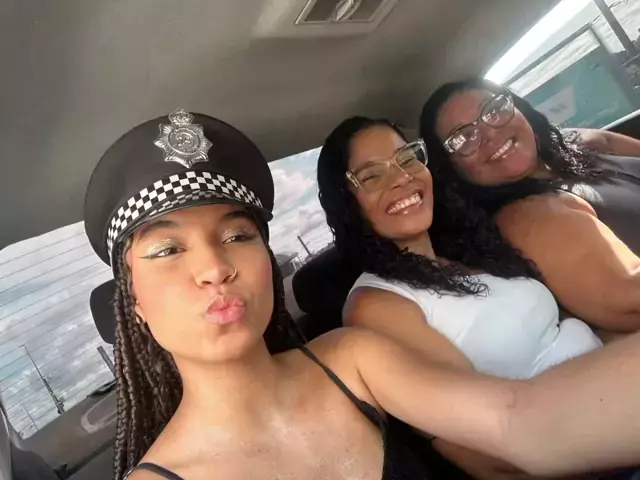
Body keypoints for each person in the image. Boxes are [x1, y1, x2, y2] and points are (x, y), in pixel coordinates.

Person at [86, 109, 640, 480]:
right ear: (133, 303)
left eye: (237, 236)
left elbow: (518, 422)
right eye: (167, 250)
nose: (214, 267)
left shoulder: (350, 358)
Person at [315, 116, 602, 478]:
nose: (401, 178)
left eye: (407, 158)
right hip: (590, 453)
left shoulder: (466, 250)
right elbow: (486, 453)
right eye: (371, 176)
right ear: (347, 203)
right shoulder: (376, 306)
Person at [419, 78, 640, 334]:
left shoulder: (572, 145)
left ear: (517, 107)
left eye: (494, 109)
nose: (490, 134)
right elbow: (629, 296)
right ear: (452, 169)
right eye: (463, 138)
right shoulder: (529, 218)